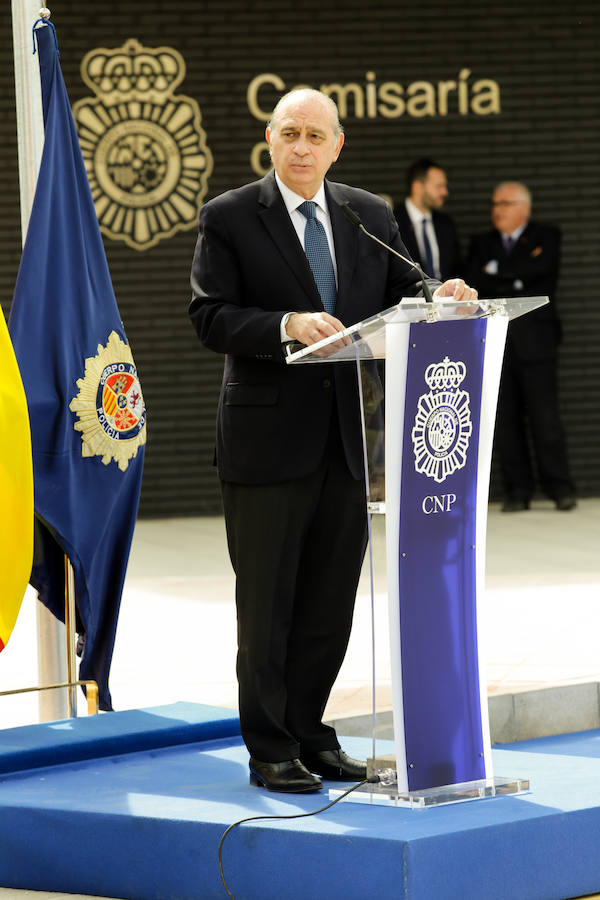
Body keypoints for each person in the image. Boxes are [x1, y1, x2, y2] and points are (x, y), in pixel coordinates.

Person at [189, 88, 478, 794]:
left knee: (327, 606)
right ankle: (270, 748)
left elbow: (410, 285)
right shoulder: (230, 215)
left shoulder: (365, 213)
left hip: (350, 443)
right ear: (269, 138)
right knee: (268, 608)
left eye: (315, 136)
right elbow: (209, 315)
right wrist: (285, 324)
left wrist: (443, 296)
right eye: (289, 133)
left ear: (337, 145)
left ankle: (312, 734)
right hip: (265, 444)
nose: (301, 147)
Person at [466, 181, 576, 512]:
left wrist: (498, 272)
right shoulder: (482, 242)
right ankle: (518, 491)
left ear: (524, 208)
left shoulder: (547, 236)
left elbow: (542, 273)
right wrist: (515, 277)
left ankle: (560, 487)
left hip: (537, 343)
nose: (497, 210)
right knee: (506, 420)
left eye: (505, 203)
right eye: (494, 203)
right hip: (497, 342)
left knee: (545, 418)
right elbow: (476, 280)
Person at [393, 158, 462, 281]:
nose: (445, 192)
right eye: (439, 186)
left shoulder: (446, 224)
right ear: (418, 187)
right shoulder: (393, 222)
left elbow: (457, 270)